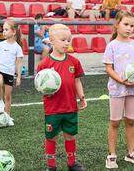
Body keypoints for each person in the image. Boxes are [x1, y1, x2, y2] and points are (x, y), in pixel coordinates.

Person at [37, 24, 87, 171]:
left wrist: (82, 97)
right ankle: (51, 166)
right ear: (51, 41)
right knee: (51, 137)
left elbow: (77, 80)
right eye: (63, 40)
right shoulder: (45, 64)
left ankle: (72, 163)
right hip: (53, 109)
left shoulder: (74, 61)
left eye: (68, 40)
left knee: (70, 136)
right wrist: (47, 91)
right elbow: (40, 85)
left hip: (70, 107)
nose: (67, 43)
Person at [103, 11, 134, 169]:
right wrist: (121, 80)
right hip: (117, 88)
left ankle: (131, 153)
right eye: (126, 24)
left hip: (133, 90)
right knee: (115, 122)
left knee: (130, 120)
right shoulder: (112, 46)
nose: (129, 28)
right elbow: (108, 68)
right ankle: (112, 155)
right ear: (117, 24)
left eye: (132, 25)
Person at [0, 20, 24, 127]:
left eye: (6, 29)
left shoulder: (17, 47)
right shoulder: (0, 44)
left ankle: (8, 116)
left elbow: (18, 64)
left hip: (9, 73)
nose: (3, 32)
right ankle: (0, 102)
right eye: (3, 29)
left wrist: (18, 77)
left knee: (8, 96)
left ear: (14, 32)